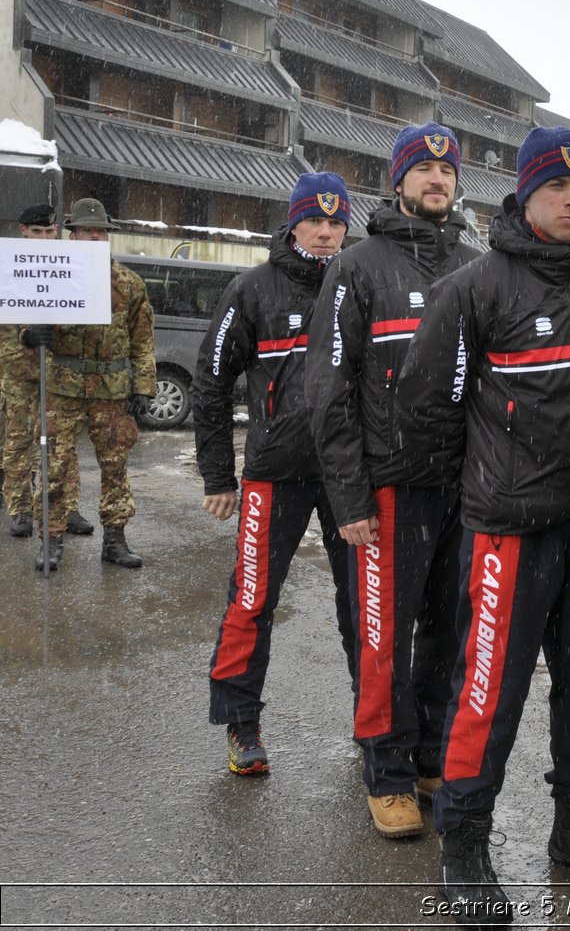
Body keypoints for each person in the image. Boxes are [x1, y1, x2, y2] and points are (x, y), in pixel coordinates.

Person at [399, 127, 570, 922]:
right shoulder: (475, 288)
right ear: (526, 194)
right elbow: (427, 405)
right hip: (509, 529)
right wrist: (468, 495)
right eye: (558, 188)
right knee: (488, 691)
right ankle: (463, 840)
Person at [309, 123, 480, 838]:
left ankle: (432, 752)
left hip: (465, 488)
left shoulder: (479, 267)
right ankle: (385, 767)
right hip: (387, 486)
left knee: (449, 632)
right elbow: (328, 389)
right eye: (424, 169)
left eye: (447, 170)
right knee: (383, 638)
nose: (437, 179)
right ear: (399, 180)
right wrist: (348, 496)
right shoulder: (359, 267)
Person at [196, 173, 356, 776]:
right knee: (254, 599)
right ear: (292, 225)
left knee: (365, 605)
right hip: (274, 472)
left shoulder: (359, 281)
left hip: (351, 477)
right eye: (313, 222)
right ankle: (241, 725)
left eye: (336, 222)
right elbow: (212, 383)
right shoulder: (253, 288)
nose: (324, 233)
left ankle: (376, 728)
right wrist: (217, 475)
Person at [26, 198, 154, 572]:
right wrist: (30, 334)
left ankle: (114, 540)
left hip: (110, 389)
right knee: (53, 465)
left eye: (100, 231)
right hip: (62, 386)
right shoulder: (51, 276)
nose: (94, 236)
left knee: (115, 466)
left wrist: (144, 387)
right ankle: (51, 539)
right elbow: (22, 319)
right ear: (74, 234)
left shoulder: (130, 284)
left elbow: (143, 340)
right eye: (86, 230)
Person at [3, 204, 92, 542]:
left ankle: (65, 508)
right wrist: (25, 336)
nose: (43, 238)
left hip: (61, 371)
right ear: (23, 230)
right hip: (17, 371)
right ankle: (21, 509)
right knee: (18, 445)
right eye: (36, 232)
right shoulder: (8, 264)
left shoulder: (68, 266)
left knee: (62, 447)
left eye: (49, 231)